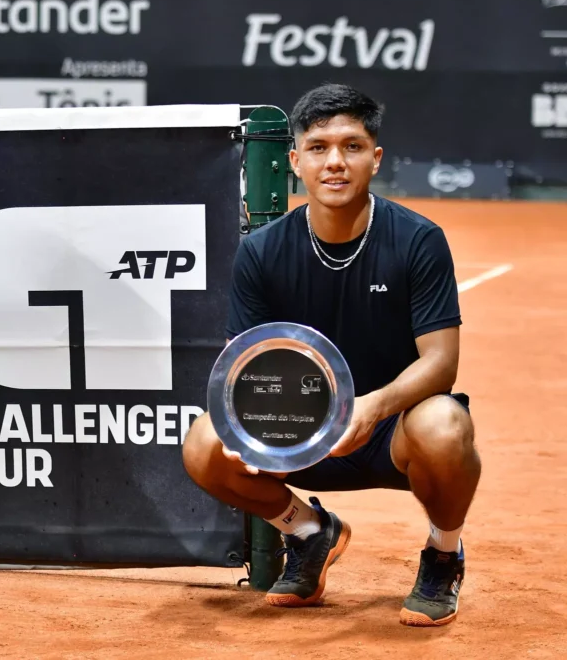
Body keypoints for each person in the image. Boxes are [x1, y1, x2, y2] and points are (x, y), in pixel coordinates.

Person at [182, 83, 482, 627]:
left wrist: (373, 407)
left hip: (391, 431)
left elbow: (441, 362)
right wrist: (247, 427)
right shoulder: (262, 251)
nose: (335, 162)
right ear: (295, 162)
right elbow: (242, 363)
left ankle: (443, 553)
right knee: (206, 442)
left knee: (446, 425)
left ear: (376, 158)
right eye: (318, 148)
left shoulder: (418, 240)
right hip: (300, 432)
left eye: (352, 146)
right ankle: (310, 533)